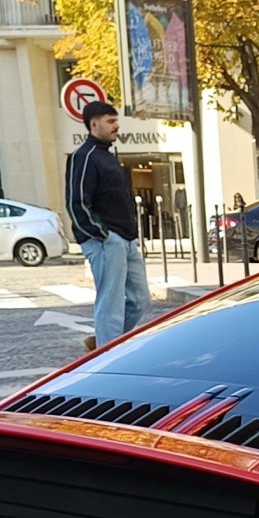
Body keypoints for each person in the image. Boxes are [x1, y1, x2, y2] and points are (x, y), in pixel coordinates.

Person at [66, 100, 150, 351]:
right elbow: (76, 202)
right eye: (110, 121)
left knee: (141, 300)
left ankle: (104, 342)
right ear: (94, 125)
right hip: (106, 240)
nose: (116, 126)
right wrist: (103, 234)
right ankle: (107, 353)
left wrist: (130, 236)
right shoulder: (84, 156)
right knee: (110, 303)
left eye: (116, 121)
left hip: (126, 239)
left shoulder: (108, 156)